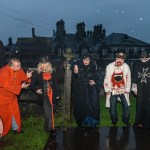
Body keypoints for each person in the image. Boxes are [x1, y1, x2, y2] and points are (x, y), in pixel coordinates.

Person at [0, 58, 32, 137]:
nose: (20, 67)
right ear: (11, 66)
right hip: (2, 98)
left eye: (20, 65)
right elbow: (6, 85)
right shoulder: (4, 72)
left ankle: (16, 129)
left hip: (12, 97)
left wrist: (27, 77)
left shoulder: (18, 69)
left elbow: (23, 78)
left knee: (15, 113)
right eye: (17, 66)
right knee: (5, 115)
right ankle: (3, 132)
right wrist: (20, 87)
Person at [30, 56, 60, 134]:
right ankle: (51, 128)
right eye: (42, 64)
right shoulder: (37, 73)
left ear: (48, 64)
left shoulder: (52, 72)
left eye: (45, 64)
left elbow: (56, 84)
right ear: (40, 64)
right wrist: (36, 90)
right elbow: (32, 84)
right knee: (48, 111)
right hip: (44, 96)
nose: (43, 65)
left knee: (51, 110)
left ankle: (47, 127)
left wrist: (58, 94)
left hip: (52, 94)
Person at [72, 54, 101, 127]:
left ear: (90, 60)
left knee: (91, 107)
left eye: (87, 59)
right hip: (81, 91)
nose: (85, 61)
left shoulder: (93, 68)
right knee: (81, 107)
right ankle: (82, 122)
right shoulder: (79, 67)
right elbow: (75, 78)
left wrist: (95, 83)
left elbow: (97, 78)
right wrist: (75, 71)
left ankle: (91, 123)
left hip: (90, 91)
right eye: (84, 59)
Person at [104, 52, 131, 126]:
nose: (120, 60)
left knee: (126, 107)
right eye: (118, 58)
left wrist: (127, 89)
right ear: (116, 58)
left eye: (122, 59)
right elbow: (106, 78)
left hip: (123, 90)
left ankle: (125, 120)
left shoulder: (126, 67)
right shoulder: (109, 66)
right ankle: (114, 120)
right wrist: (107, 90)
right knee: (112, 108)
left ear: (124, 59)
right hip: (112, 90)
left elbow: (128, 78)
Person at [132, 51, 150, 129]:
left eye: (145, 58)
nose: (144, 60)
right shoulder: (137, 65)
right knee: (139, 105)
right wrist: (134, 88)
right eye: (142, 58)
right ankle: (139, 122)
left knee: (148, 105)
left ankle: (147, 123)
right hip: (140, 88)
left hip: (148, 88)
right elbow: (135, 77)